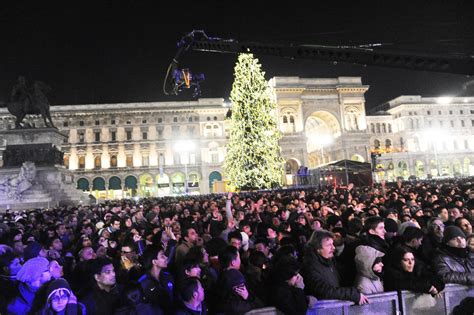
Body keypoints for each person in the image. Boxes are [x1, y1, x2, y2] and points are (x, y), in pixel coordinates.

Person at [301, 230, 368, 305]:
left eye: (332, 244)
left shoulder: (330, 260)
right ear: (318, 249)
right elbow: (324, 291)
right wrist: (351, 294)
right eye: (328, 245)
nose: (333, 248)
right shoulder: (310, 266)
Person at [139, 245, 175, 313]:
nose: (166, 257)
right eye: (162, 256)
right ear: (154, 262)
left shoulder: (168, 277)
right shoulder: (143, 283)